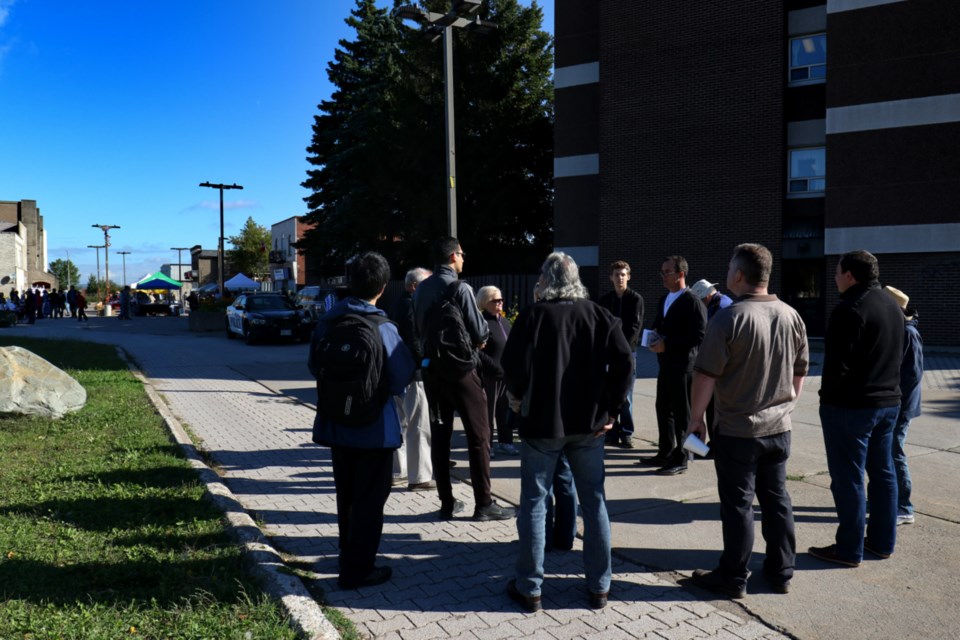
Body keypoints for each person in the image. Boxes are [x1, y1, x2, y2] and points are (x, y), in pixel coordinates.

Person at [502, 251, 633, 612]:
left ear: (546, 278)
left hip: (543, 423)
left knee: (533, 503)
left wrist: (519, 397)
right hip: (589, 425)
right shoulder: (597, 314)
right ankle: (599, 586)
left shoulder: (533, 315)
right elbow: (626, 361)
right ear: (576, 279)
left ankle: (530, 588)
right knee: (594, 504)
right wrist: (612, 407)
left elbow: (511, 365)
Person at [686, 244, 808, 598]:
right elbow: (800, 372)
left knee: (738, 505)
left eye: (729, 268)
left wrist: (697, 420)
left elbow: (705, 376)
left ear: (739, 274)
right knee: (777, 500)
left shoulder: (728, 318)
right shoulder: (791, 315)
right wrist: (788, 406)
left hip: (738, 430)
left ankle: (733, 577)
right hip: (779, 429)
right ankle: (782, 571)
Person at [308, 251, 415, 590]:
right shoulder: (384, 328)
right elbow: (401, 378)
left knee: (346, 495)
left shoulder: (328, 321)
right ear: (383, 287)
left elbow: (314, 365)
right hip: (374, 430)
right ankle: (357, 570)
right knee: (370, 501)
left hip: (336, 425)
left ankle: (346, 554)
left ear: (350, 282)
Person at [810, 250, 904, 567]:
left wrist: (827, 399)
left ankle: (848, 549)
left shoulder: (850, 309)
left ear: (850, 275)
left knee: (848, 478)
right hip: (888, 403)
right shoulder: (891, 303)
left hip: (852, 408)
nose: (835, 277)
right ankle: (881, 542)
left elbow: (837, 366)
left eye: (837, 272)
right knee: (883, 474)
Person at [413, 237, 515, 522]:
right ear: (454, 256)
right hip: (461, 372)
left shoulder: (420, 289)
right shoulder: (461, 288)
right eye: (462, 254)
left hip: (432, 372)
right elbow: (481, 333)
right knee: (480, 437)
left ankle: (447, 502)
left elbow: (419, 329)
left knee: (441, 437)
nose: (464, 258)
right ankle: (484, 504)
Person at [643, 256, 707, 475]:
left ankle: (682, 458)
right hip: (666, 365)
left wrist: (667, 344)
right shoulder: (664, 299)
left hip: (683, 367)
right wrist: (652, 337)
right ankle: (665, 451)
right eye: (662, 271)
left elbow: (699, 335)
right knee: (663, 408)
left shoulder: (692, 301)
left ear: (681, 274)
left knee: (682, 414)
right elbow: (659, 324)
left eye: (667, 272)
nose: (662, 275)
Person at [387, 267, 435, 491]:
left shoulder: (398, 304)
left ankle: (399, 471)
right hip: (414, 373)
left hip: (397, 372)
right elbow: (414, 340)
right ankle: (420, 477)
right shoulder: (410, 306)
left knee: (401, 424)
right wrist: (425, 362)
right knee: (418, 425)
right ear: (414, 286)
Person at [884, 286, 923, 526]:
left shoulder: (908, 333)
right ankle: (893, 499)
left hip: (901, 405)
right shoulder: (899, 329)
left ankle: (905, 506)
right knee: (888, 452)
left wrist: (896, 400)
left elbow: (913, 374)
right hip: (894, 402)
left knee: (895, 453)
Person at [598, 260, 644, 449]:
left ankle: (626, 432)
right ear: (611, 277)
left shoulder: (635, 299)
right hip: (608, 355)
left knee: (625, 394)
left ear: (629, 277)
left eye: (623, 274)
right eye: (616, 275)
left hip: (627, 354)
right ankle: (612, 431)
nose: (620, 278)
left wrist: (620, 347)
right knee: (609, 392)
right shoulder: (605, 300)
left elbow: (635, 328)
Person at [476, 285, 518, 457]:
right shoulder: (482, 322)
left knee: (505, 409)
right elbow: (477, 350)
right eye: (496, 300)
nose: (500, 302)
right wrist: (493, 367)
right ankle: (488, 445)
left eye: (501, 299)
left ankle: (506, 442)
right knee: (488, 412)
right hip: (489, 375)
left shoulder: (505, 321)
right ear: (486, 302)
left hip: (506, 375)